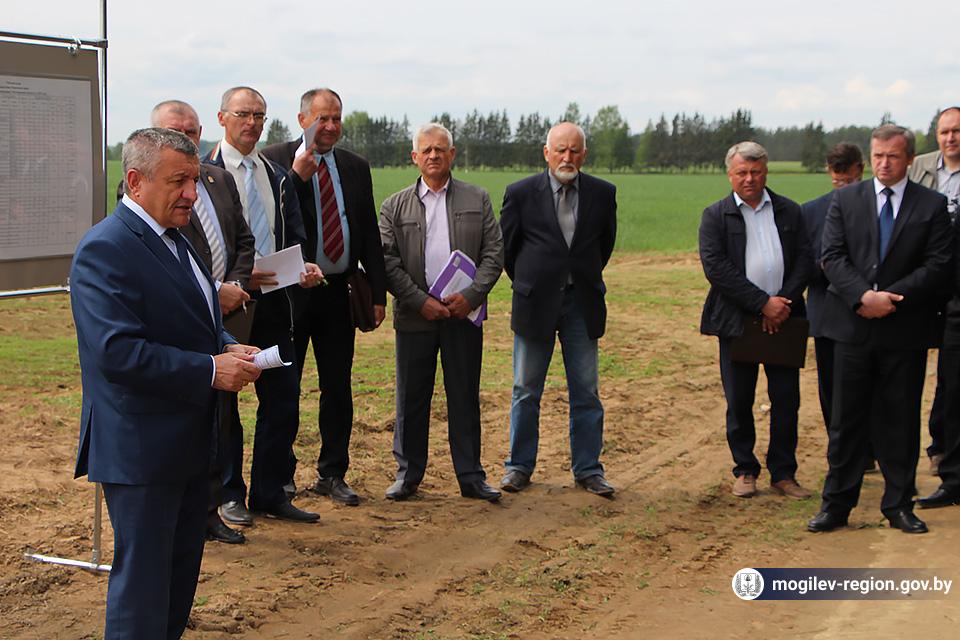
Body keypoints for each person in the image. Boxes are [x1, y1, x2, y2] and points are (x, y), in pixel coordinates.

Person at [69, 127, 262, 639]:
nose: (192, 195)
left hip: (188, 444)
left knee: (176, 584)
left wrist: (225, 345)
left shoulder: (176, 239)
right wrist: (210, 370)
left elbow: (194, 318)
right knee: (144, 589)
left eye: (195, 181)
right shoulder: (106, 249)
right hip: (142, 450)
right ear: (135, 181)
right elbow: (117, 353)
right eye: (179, 182)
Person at [808, 125, 953, 534]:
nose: (884, 164)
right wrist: (862, 297)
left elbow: (939, 264)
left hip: (904, 331)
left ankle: (899, 505)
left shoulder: (931, 205)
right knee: (845, 421)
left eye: (892, 156)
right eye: (878, 156)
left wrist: (891, 299)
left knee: (900, 421)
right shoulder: (846, 200)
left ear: (910, 159)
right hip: (852, 328)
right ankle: (836, 505)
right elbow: (831, 256)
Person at [262, 88, 387, 507]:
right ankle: (281, 477)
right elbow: (272, 220)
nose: (330, 126)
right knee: (286, 387)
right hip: (291, 295)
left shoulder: (355, 166)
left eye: (336, 118)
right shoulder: (274, 160)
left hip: (338, 292)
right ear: (302, 120)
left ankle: (332, 473)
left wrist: (378, 293)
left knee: (338, 385)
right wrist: (296, 176)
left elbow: (368, 230)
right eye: (322, 119)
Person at [205, 86, 324, 523]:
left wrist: (301, 265)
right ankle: (229, 494)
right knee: (226, 407)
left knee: (282, 400)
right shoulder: (204, 174)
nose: (252, 123)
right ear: (222, 118)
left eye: (259, 115)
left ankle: (271, 493)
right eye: (243, 114)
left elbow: (292, 233)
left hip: (275, 302)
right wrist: (238, 278)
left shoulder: (275, 175)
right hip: (228, 306)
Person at [378, 123, 504, 501]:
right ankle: (408, 475)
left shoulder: (477, 198)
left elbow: (494, 253)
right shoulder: (394, 206)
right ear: (414, 157)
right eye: (426, 150)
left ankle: (471, 476)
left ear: (452, 155)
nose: (433, 155)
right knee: (411, 399)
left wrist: (472, 295)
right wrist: (420, 301)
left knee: (463, 397)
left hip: (462, 316)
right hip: (414, 317)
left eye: (440, 149)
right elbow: (387, 261)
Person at [149, 99, 255, 545]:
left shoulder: (216, 179)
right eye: (175, 132)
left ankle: (213, 506)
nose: (185, 139)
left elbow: (244, 240)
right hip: (181, 338)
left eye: (191, 132)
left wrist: (234, 287)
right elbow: (160, 264)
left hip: (229, 314)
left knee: (223, 420)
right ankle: (201, 510)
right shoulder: (146, 201)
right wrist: (215, 292)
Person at [499, 121, 617, 497]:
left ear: (584, 154)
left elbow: (604, 246)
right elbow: (508, 250)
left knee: (586, 391)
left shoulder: (603, 193)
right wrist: (535, 281)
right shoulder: (520, 193)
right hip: (535, 303)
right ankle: (518, 467)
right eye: (560, 150)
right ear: (546, 153)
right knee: (525, 390)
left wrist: (576, 276)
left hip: (582, 303)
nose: (567, 157)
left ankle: (588, 469)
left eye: (574, 150)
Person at [699, 141, 814, 500]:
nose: (749, 179)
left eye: (756, 172)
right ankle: (745, 469)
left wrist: (782, 303)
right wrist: (762, 303)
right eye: (742, 172)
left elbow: (805, 259)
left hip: (785, 319)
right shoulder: (715, 216)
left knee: (786, 399)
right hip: (737, 321)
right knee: (739, 399)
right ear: (730, 174)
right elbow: (716, 268)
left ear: (766, 172)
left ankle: (784, 473)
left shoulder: (790, 211)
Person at [908, 106, 960, 475]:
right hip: (924, 282)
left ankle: (942, 446)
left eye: (957, 131)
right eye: (944, 132)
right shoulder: (919, 168)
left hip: (957, 283)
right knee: (909, 368)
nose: (951, 138)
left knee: (951, 371)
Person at [800, 143, 864, 431]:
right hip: (827, 314)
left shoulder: (878, 207)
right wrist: (829, 268)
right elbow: (803, 265)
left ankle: (867, 446)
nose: (844, 188)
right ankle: (837, 444)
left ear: (860, 170)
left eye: (849, 181)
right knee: (830, 386)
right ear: (829, 173)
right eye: (838, 182)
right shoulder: (811, 212)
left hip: (868, 313)